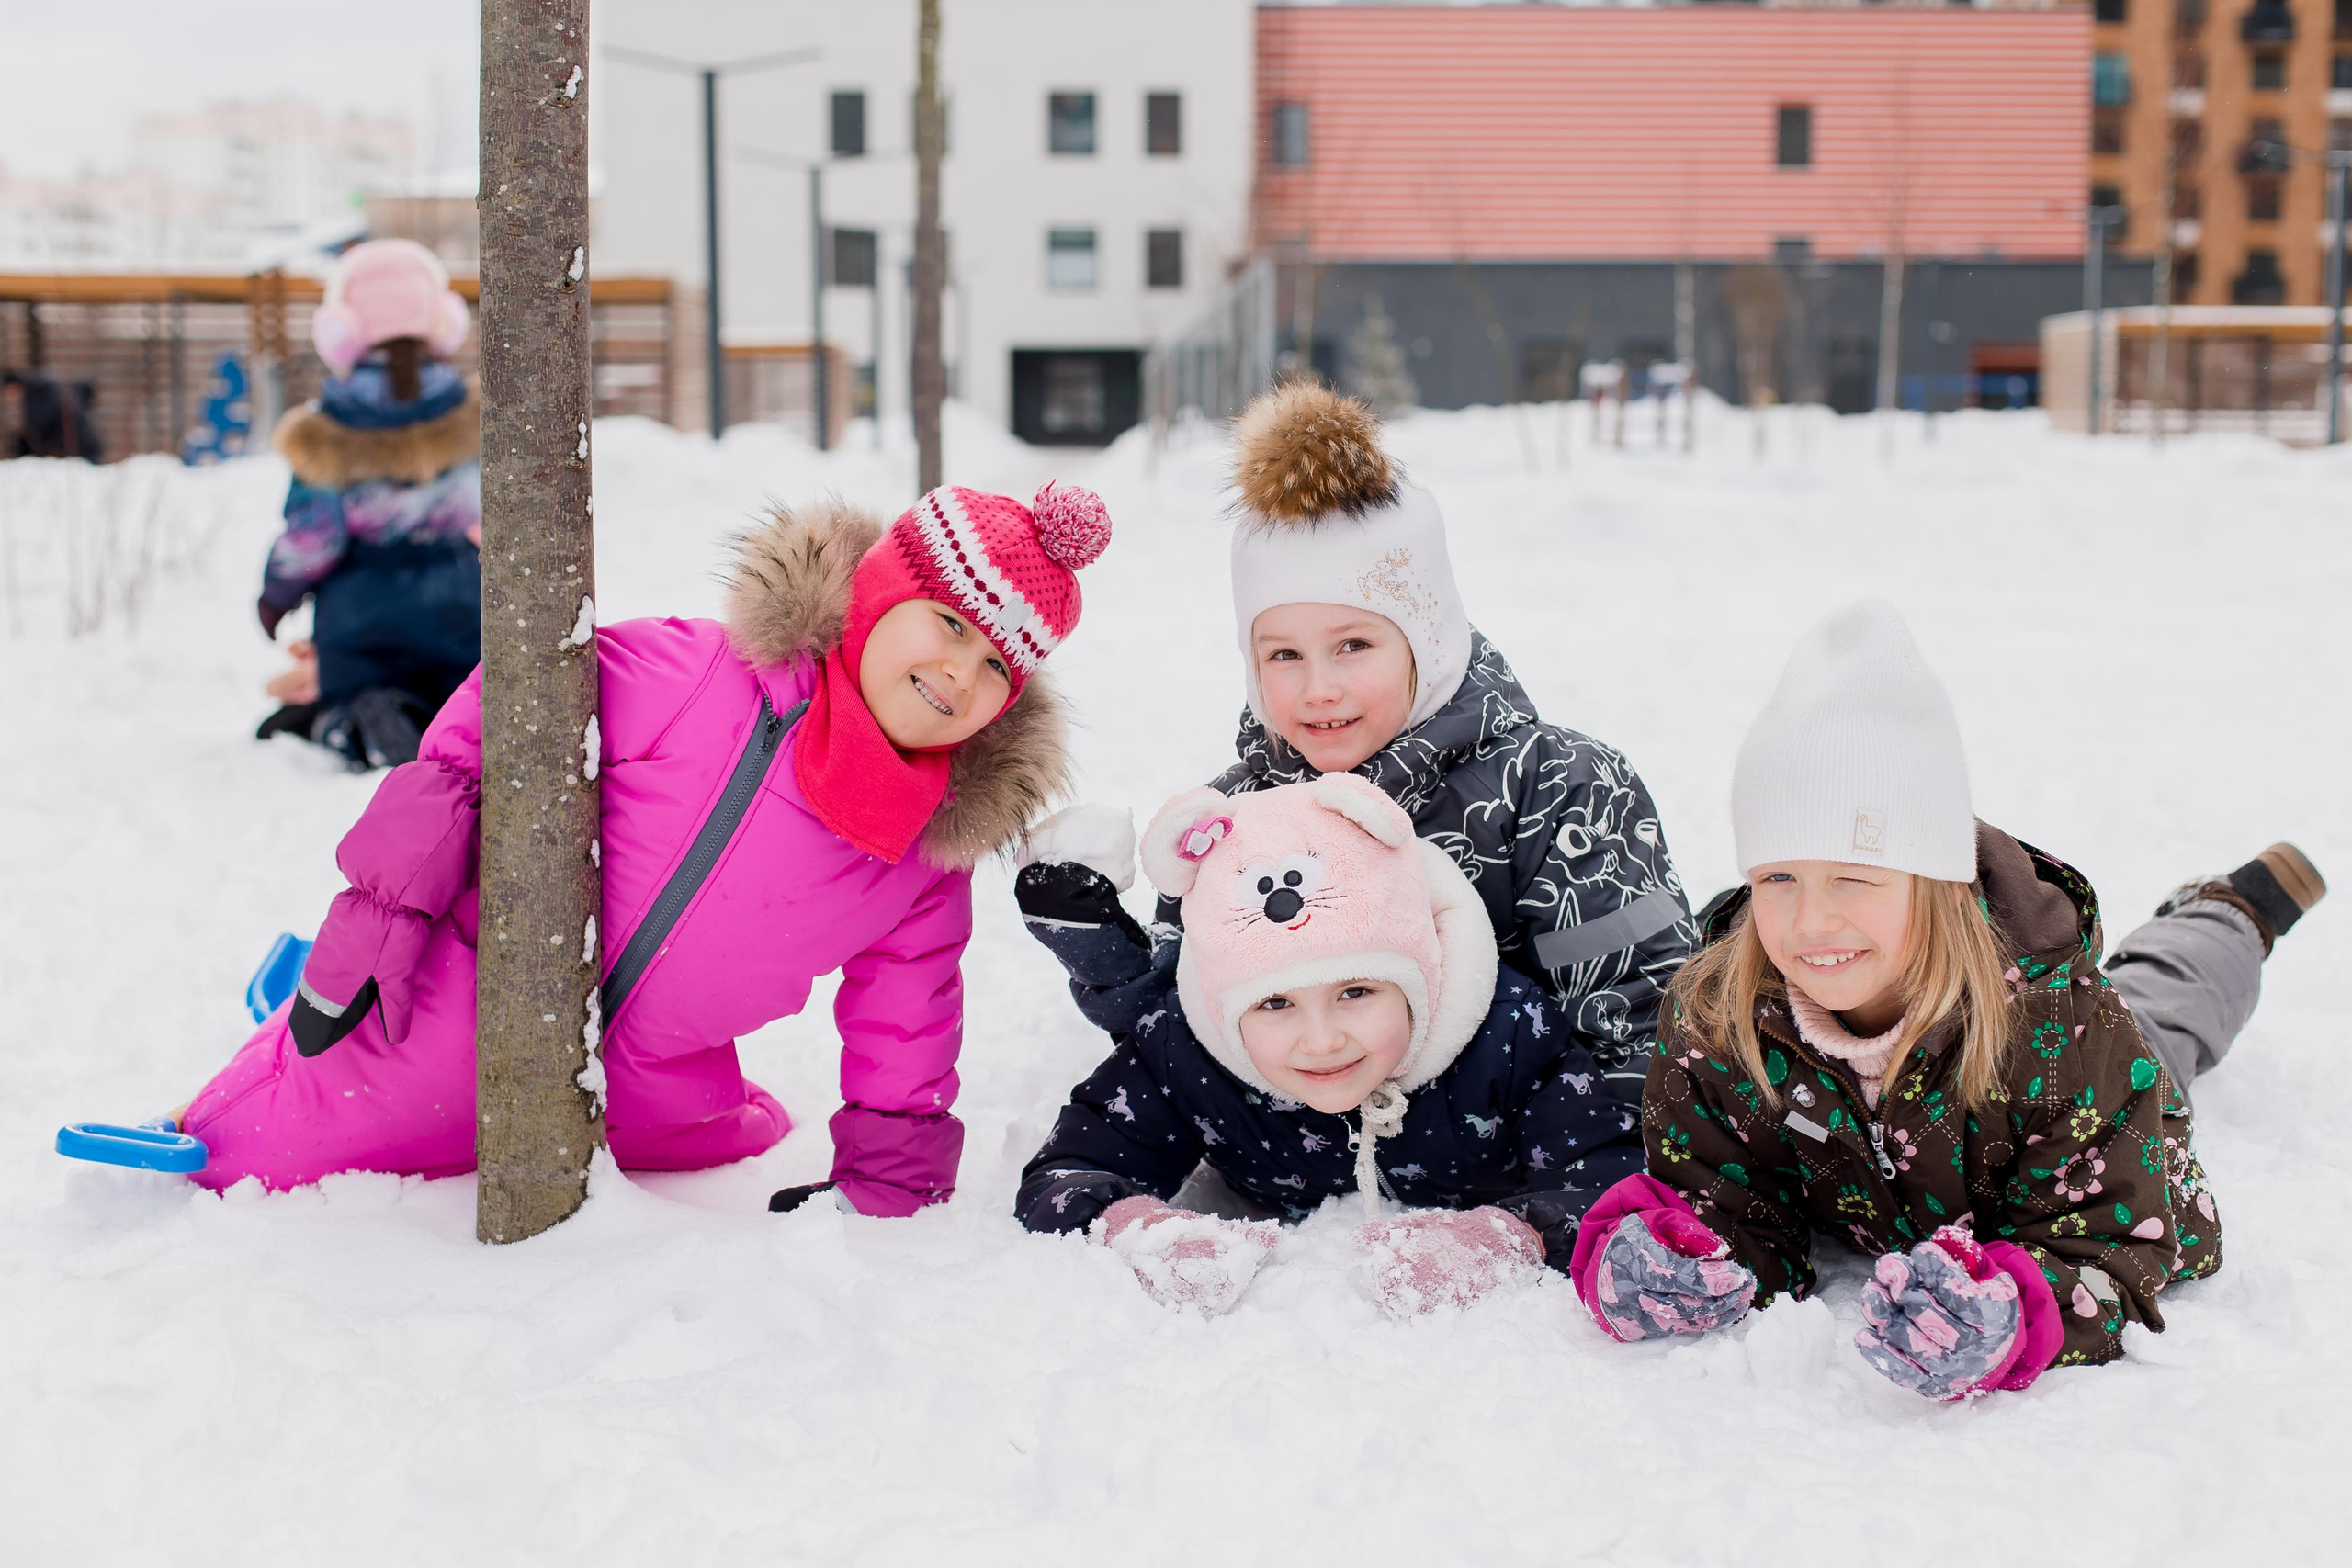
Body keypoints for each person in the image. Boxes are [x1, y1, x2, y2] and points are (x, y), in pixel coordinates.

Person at [110, 484, 1107, 1213]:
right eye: (944, 624)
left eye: (994, 667)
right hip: (473, 996)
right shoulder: (696, 674)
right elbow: (487, 734)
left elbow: (909, 1008)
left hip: (652, 1081)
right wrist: (386, 908)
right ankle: (263, 1059)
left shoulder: (921, 849)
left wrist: (892, 1170)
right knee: (253, 1147)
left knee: (748, 1134)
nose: (957, 673)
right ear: (880, 594)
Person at [1571, 602, 2324, 1400]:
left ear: (1935, 881)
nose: (1811, 920)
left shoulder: (2065, 1031)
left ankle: (2224, 915)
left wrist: (2018, 1305)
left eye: (1853, 877)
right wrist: (1681, 1252)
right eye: (1778, 877)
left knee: (2165, 1011)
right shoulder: (1721, 1017)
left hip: (2058, 1053)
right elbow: (1720, 1192)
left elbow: (2126, 1235)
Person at [1031, 382, 1693, 1094]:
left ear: (1429, 642)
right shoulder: (1239, 816)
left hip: (1524, 1157)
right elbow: (1191, 1034)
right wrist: (1104, 951)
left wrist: (1570, 1174)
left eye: (1352, 644)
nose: (1318, 687)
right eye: (1284, 655)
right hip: (1311, 1177)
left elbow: (1643, 1023)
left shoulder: (1557, 789)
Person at [1014, 773, 1645, 1317]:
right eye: (1275, 1003)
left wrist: (1514, 1234)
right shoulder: (1188, 1051)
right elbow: (1064, 1173)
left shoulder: (1506, 1035)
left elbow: (1613, 1174)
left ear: (1419, 974)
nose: (1322, 1040)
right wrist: (1137, 1228)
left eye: (1357, 992)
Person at [254, 239, 482, 770]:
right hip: (461, 603)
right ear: (442, 320)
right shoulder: (475, 418)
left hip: (361, 615)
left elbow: (313, 539)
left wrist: (275, 596)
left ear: (341, 331)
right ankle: (443, 731)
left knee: (349, 692)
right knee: (460, 698)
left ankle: (358, 720)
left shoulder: (326, 432)